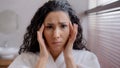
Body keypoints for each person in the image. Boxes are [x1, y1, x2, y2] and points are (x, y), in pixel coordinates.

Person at [8, 0, 100, 68]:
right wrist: (43, 59)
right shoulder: (24, 59)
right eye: (49, 27)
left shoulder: (87, 58)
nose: (56, 35)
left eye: (63, 26)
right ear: (40, 30)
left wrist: (68, 58)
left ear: (72, 29)